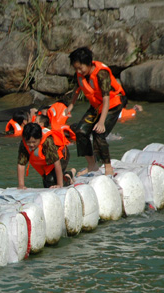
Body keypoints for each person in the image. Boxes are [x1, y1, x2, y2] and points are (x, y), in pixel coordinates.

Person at [66, 47, 126, 176]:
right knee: (80, 131)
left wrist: (101, 121)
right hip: (97, 105)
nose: (78, 71)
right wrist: (71, 105)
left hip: (113, 103)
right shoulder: (81, 74)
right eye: (76, 68)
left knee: (99, 132)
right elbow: (78, 87)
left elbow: (106, 99)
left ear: (89, 63)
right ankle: (92, 165)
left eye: (80, 68)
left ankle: (108, 167)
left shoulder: (101, 74)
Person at [17, 122, 75, 189]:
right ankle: (66, 175)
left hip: (62, 155)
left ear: (40, 138)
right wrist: (21, 185)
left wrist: (59, 184)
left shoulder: (47, 141)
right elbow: (21, 164)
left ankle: (69, 176)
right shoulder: (23, 143)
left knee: (52, 180)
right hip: (46, 161)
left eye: (34, 142)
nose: (31, 145)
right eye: (28, 142)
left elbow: (57, 163)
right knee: (48, 183)